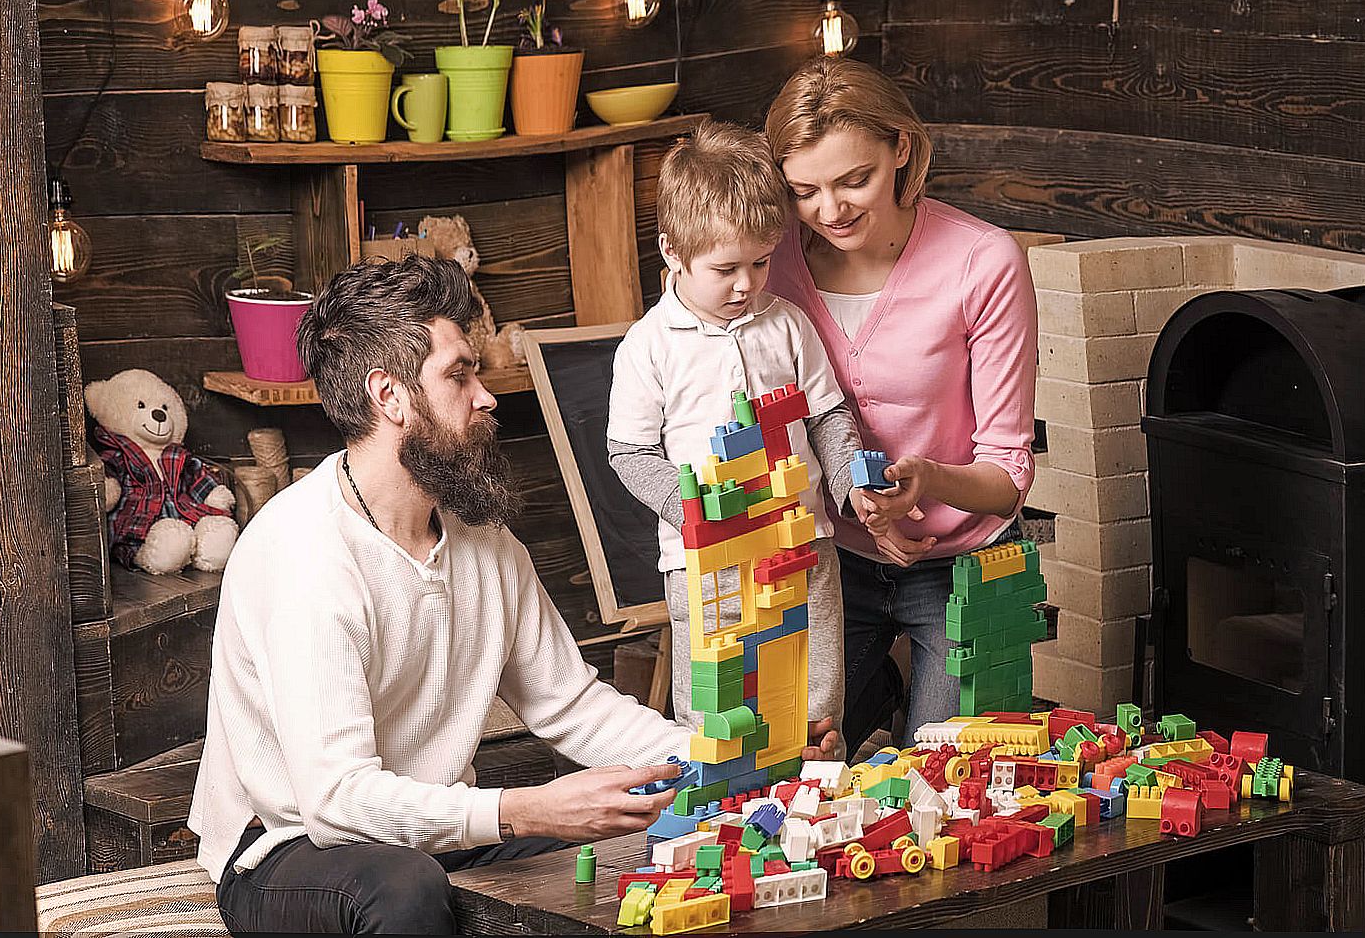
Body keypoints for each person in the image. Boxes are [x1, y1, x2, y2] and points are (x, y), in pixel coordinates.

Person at [190, 254, 693, 935]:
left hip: (430, 829)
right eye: (460, 374)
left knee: (647, 836)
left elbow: (570, 705)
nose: (486, 396)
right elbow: (334, 801)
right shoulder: (303, 553)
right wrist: (522, 809)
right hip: (287, 846)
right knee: (404, 890)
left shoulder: (482, 541)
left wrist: (721, 765)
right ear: (389, 396)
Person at [764, 56, 1040, 758]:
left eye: (855, 179)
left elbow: (1007, 474)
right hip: (831, 563)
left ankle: (900, 710)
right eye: (805, 191)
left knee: (944, 780)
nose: (832, 211)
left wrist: (927, 481)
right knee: (798, 769)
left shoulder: (983, 261)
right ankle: (878, 694)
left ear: (902, 150)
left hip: (957, 566)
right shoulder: (770, 268)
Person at [607, 120, 873, 755]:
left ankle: (815, 806)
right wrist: (691, 503)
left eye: (761, 262)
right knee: (720, 710)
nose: (747, 284)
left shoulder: (786, 324)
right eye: (726, 268)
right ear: (673, 252)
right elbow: (629, 453)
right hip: (706, 564)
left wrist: (846, 480)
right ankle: (720, 815)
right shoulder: (649, 346)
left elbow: (828, 415)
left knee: (814, 704)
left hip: (803, 542)